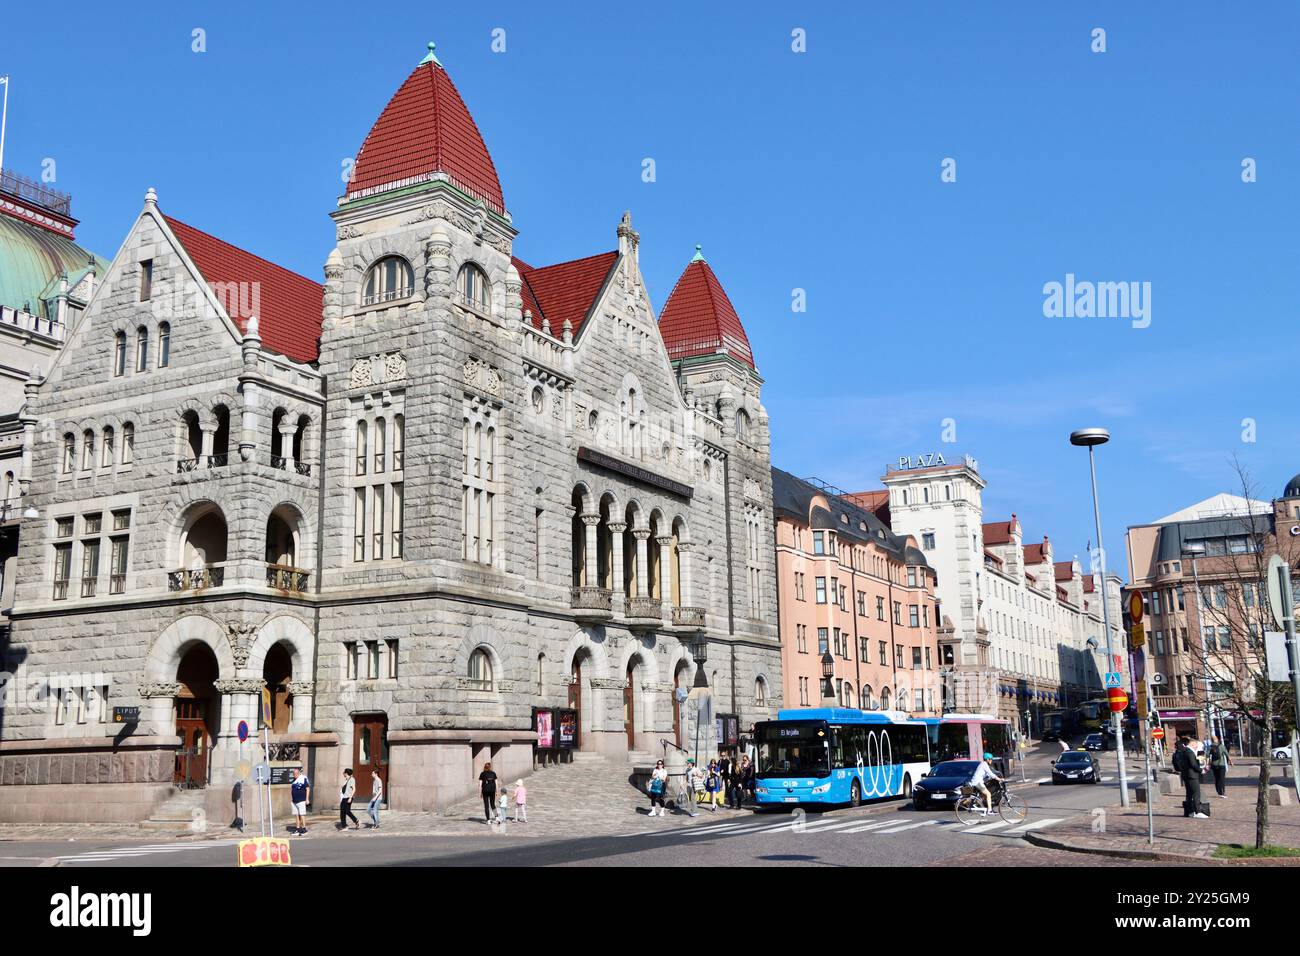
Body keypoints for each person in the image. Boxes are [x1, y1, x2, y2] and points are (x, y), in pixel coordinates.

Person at [1173, 737, 1208, 818]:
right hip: (1192, 775)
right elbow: (1193, 764)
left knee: (1189, 794)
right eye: (1196, 745)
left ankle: (1190, 811)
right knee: (1196, 793)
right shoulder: (1189, 752)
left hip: (1185, 775)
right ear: (1192, 744)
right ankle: (1197, 811)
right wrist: (1201, 770)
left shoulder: (1182, 751)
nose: (1196, 747)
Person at [290, 768, 310, 836]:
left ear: (298, 773)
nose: (294, 775)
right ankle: (298, 829)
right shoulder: (294, 780)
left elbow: (307, 789)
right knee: (296, 815)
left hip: (301, 800)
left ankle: (304, 829)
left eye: (295, 773)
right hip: (294, 801)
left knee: (302, 814)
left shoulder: (303, 778)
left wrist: (307, 799)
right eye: (293, 774)